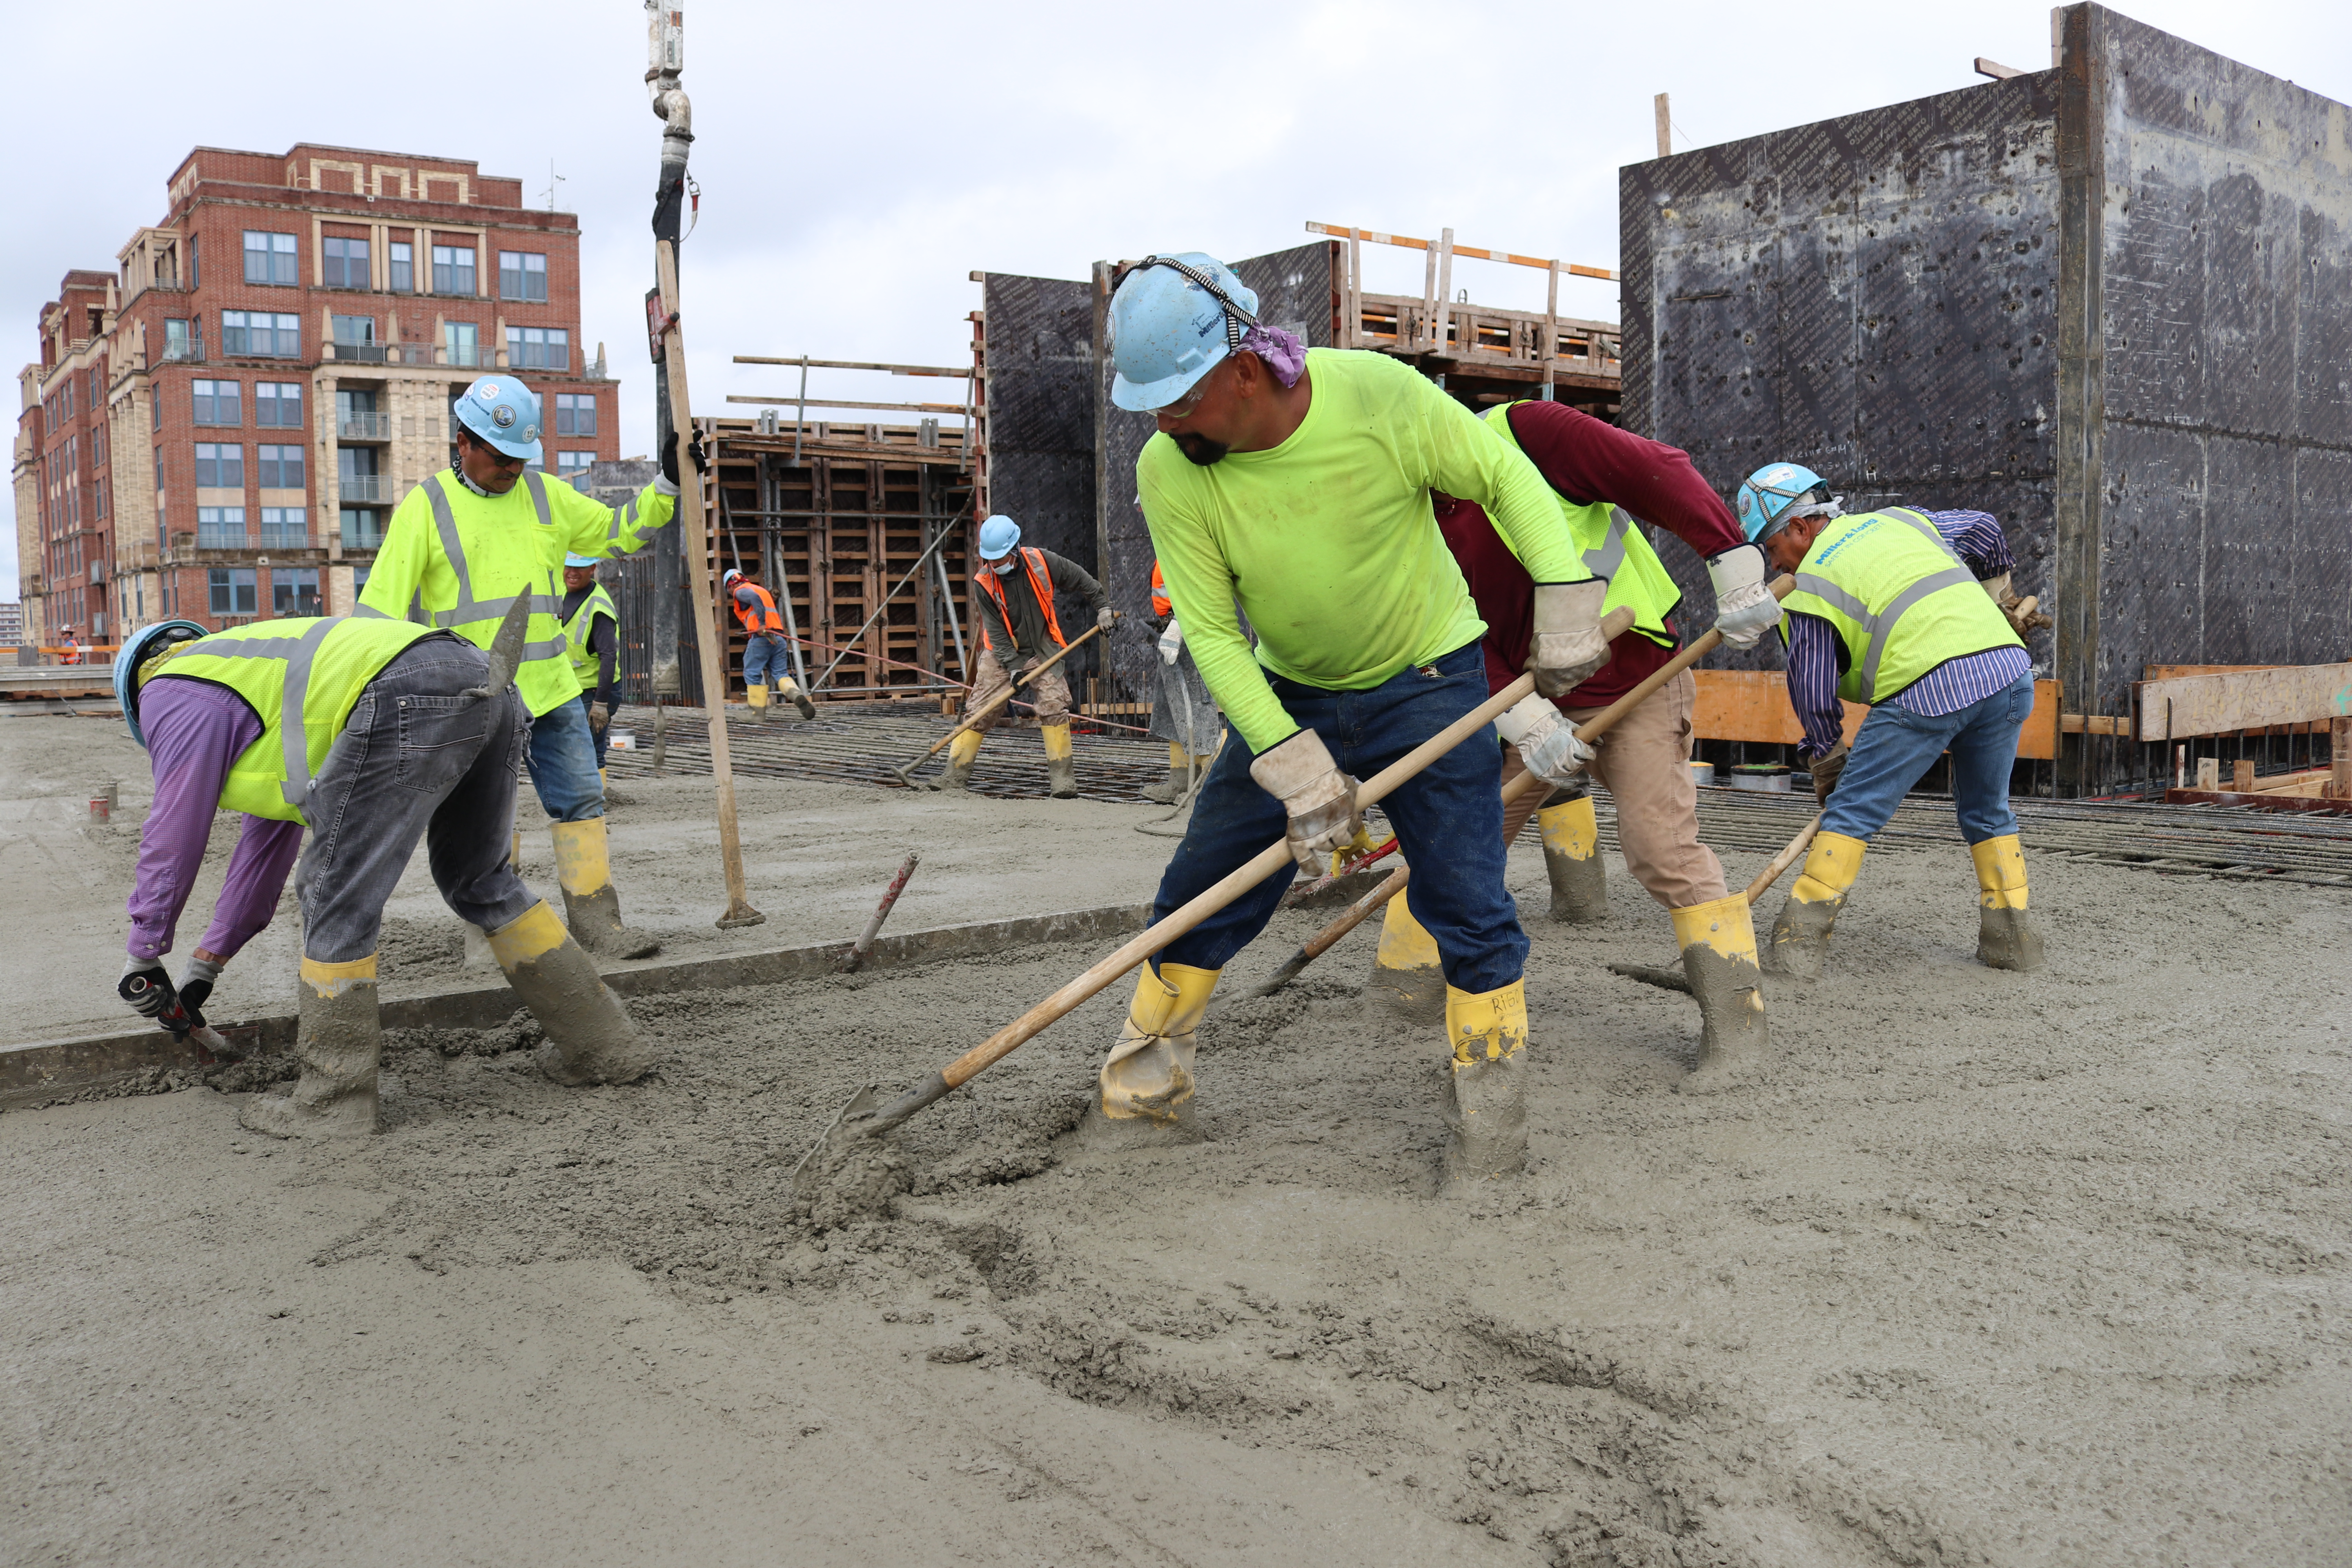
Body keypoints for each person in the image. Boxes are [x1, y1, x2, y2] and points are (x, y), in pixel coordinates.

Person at [1100, 252, 1603, 1183]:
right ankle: (1142, 1092)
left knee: (1469, 902)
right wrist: (1289, 761)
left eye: (1177, 402)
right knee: (1200, 889)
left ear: (1243, 368)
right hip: (1288, 694)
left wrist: (1566, 592)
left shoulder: (1377, 397)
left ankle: (1489, 1132)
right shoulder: (1172, 468)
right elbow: (1212, 629)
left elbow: (1502, 474)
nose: (1163, 425)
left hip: (1430, 681)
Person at [109, 612, 655, 1140]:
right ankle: (606, 1048)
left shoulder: (171, 688)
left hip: (401, 689)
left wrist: (143, 953)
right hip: (487, 678)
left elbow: (175, 830)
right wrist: (207, 965)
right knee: (480, 879)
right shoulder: (248, 681)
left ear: (134, 694)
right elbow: (262, 857)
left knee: (334, 892)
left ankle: (334, 1101)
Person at [1416, 399, 1780, 1080]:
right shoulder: (1405, 516)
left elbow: (1657, 470)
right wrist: (1522, 721)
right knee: (1458, 845)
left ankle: (1739, 1028)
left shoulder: (1525, 434)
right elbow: (1447, 629)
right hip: (1529, 692)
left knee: (1660, 848)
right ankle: (1404, 991)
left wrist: (1730, 558)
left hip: (1634, 678)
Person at [360, 376, 678, 960]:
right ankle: (493, 938)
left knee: (582, 799)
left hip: (552, 690)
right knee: (484, 824)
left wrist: (667, 484)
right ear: (464, 442)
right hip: (473, 699)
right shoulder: (426, 507)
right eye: (502, 458)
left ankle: (599, 926)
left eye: (520, 459)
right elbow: (377, 612)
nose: (513, 469)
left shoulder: (545, 495)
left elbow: (618, 532)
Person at [1737, 463, 2046, 979]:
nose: (1775, 566)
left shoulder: (1811, 583)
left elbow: (1812, 688)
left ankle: (1797, 945)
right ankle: (2012, 940)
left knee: (1852, 814)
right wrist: (2001, 602)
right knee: (1990, 812)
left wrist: (1827, 757)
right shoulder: (1903, 522)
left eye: (1772, 549)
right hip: (2008, 673)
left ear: (1799, 527)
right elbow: (1983, 530)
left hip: (1926, 686)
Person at [928, 514, 1109, 799]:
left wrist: (1103, 608)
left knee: (1054, 705)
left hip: (1041, 648)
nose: (995, 566)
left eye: (1000, 560)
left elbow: (1083, 580)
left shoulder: (1042, 561)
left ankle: (1063, 781)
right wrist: (1014, 668)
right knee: (980, 711)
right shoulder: (984, 582)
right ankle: (954, 776)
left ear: (1014, 550)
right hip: (1001, 653)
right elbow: (996, 632)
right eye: (991, 561)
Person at [1142, 559, 1222, 803]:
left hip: (1191, 630)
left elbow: (1205, 583)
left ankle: (1215, 790)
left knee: (1198, 714)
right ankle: (1179, 782)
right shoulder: (1164, 534)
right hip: (1172, 632)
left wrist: (1180, 622)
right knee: (1172, 713)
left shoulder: (1187, 531)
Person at [722, 561, 816, 720]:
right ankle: (797, 696)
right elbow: (759, 607)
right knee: (780, 673)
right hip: (778, 638)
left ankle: (756, 714)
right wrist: (750, 631)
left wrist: (761, 624)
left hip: (762, 638)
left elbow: (753, 599)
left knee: (752, 673)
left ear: (730, 586)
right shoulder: (761, 589)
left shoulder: (741, 591)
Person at [560, 553, 622, 777]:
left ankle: (596, 801)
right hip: (572, 686)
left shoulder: (598, 608)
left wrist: (601, 704)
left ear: (593, 569)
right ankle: (587, 797)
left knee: (588, 748)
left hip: (595, 690)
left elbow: (609, 656)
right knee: (572, 747)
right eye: (568, 567)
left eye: (580, 568)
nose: (573, 573)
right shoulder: (560, 593)